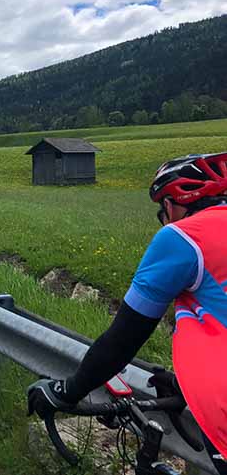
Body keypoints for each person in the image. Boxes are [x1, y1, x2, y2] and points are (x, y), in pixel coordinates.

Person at [27, 152, 227, 473]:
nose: (164, 219)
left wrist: (68, 391)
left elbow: (124, 338)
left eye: (162, 210)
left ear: (174, 204)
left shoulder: (183, 238)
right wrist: (186, 380)